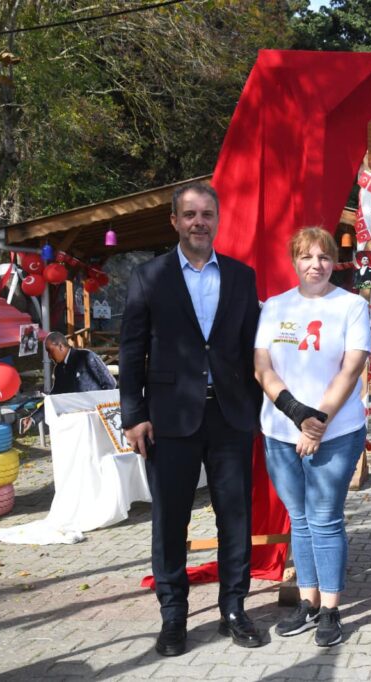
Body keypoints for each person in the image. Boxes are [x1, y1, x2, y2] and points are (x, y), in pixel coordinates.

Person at [119, 182, 263, 657]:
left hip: (230, 416)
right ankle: (174, 615)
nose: (199, 222)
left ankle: (234, 609)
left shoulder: (241, 276)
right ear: (175, 221)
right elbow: (132, 350)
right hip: (168, 419)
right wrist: (133, 415)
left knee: (235, 517)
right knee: (170, 520)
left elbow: (251, 349)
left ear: (217, 220)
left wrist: (258, 408)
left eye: (207, 214)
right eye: (190, 214)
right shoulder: (149, 276)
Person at [254, 227, 370, 648]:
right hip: (281, 431)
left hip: (336, 431)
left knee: (324, 518)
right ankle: (307, 601)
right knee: (299, 518)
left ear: (333, 262)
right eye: (306, 257)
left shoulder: (351, 306)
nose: (315, 265)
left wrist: (318, 420)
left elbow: (351, 367)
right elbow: (262, 366)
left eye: (323, 257)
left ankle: (332, 609)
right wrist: (297, 415)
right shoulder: (275, 306)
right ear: (294, 261)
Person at [20, 332, 116, 434]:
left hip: (98, 419)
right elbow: (54, 397)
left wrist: (102, 410)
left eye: (50, 351)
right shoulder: (59, 370)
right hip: (76, 424)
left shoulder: (86, 356)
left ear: (60, 347)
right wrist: (33, 418)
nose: (49, 356)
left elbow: (110, 383)